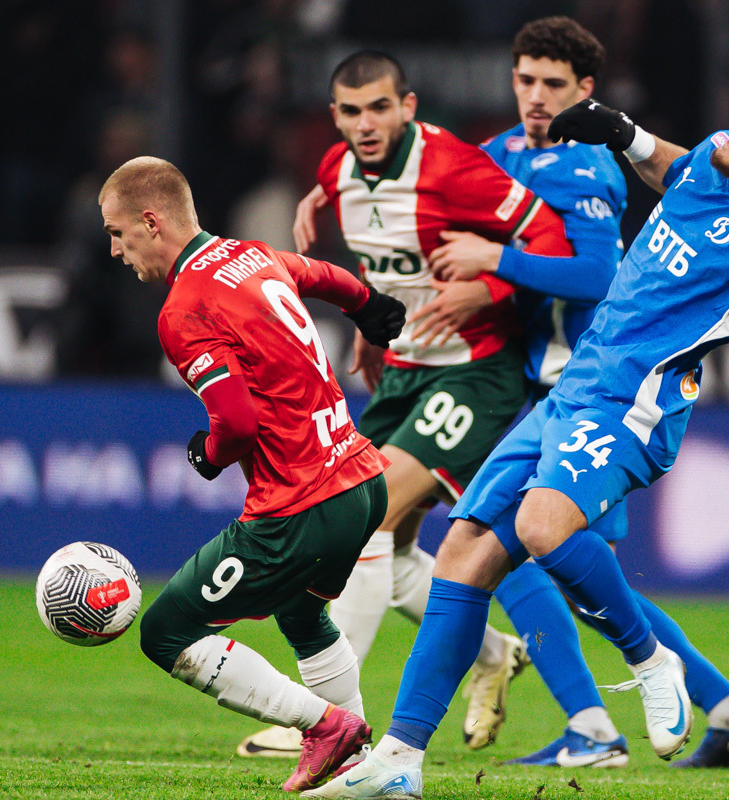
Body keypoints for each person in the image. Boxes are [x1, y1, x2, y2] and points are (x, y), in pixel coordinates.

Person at [305, 53, 729, 799]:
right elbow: (677, 168)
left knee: (546, 529)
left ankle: (650, 665)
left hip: (631, 407)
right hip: (571, 387)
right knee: (464, 554)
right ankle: (398, 762)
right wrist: (626, 133)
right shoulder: (717, 157)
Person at [416, 15, 729, 769]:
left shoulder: (588, 167)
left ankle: (596, 726)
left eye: (554, 83)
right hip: (540, 390)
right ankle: (727, 710)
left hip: (599, 398)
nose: (536, 96)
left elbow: (596, 278)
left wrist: (497, 262)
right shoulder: (500, 155)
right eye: (525, 80)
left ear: (585, 90)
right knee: (565, 570)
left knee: (533, 562)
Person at [236, 49, 578, 761]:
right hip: (404, 371)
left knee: (366, 514)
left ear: (409, 106)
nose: (367, 124)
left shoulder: (451, 167)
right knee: (389, 556)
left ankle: (331, 719)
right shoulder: (334, 171)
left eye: (380, 108)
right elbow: (378, 257)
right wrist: (371, 328)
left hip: (476, 374)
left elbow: (547, 232)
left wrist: (493, 288)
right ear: (335, 117)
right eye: (352, 112)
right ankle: (491, 655)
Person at [98, 156, 409, 792]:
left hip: (300, 506)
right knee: (302, 616)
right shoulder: (252, 255)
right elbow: (319, 272)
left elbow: (235, 424)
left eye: (117, 232)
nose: (113, 249)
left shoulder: (184, 310)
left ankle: (325, 727)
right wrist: (370, 306)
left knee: (164, 632)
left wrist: (204, 456)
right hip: (361, 480)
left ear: (151, 223)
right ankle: (365, 772)